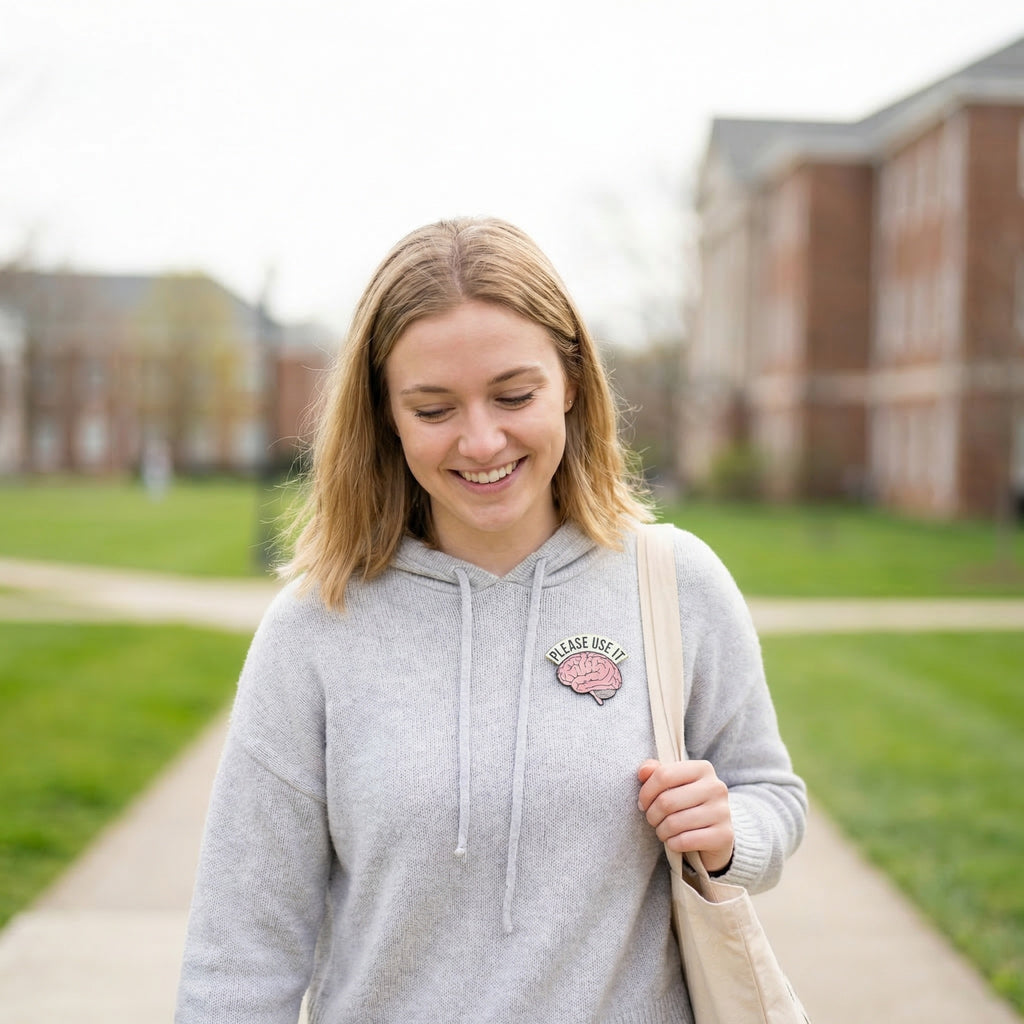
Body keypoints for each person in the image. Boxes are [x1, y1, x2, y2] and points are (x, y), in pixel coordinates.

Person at [175, 216, 806, 1024]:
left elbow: (771, 795)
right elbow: (241, 949)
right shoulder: (313, 628)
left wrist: (727, 833)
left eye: (515, 395)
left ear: (572, 382)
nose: (482, 441)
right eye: (434, 409)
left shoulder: (674, 582)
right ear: (386, 416)